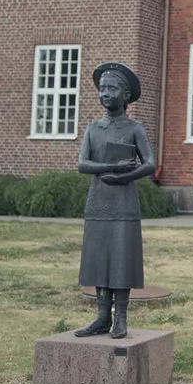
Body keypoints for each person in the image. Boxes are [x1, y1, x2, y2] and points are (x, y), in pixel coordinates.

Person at [74, 62, 155, 339]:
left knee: (121, 257)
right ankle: (101, 317)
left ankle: (120, 316)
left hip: (123, 203)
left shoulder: (134, 128)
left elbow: (150, 164)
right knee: (99, 257)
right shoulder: (93, 128)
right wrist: (110, 168)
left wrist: (125, 176)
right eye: (102, 89)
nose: (105, 94)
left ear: (126, 95)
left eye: (112, 89)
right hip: (98, 201)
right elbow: (83, 164)